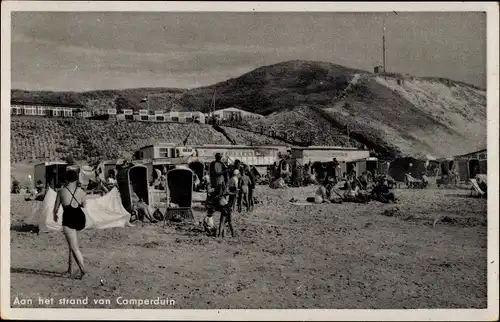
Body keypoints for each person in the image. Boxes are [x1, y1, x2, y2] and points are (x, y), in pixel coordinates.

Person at [52, 170, 87, 279]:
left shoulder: (61, 191)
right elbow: (84, 205)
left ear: (67, 180)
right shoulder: (82, 191)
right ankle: (70, 269)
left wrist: (55, 215)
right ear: (76, 179)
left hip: (68, 220)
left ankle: (83, 270)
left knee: (74, 247)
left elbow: (55, 208)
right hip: (80, 219)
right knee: (72, 245)